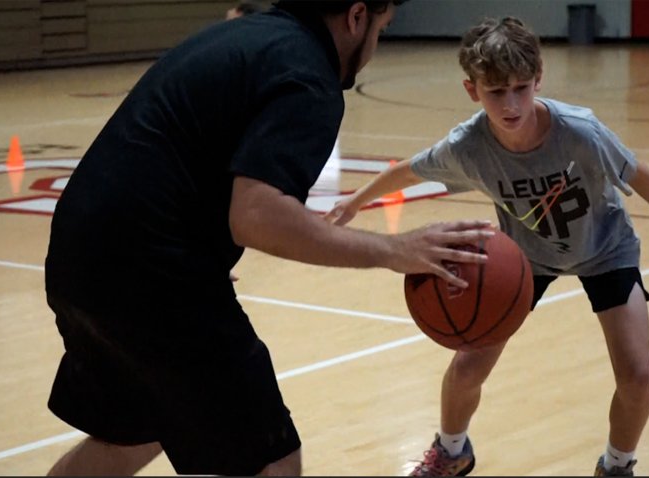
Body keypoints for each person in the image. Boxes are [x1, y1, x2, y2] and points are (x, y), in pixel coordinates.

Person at [44, 1, 495, 476]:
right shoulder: (308, 74)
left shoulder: (246, 37)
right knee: (272, 461)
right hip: (153, 268)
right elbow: (257, 215)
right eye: (383, 28)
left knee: (133, 433)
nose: (376, 45)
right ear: (357, 17)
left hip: (79, 252)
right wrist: (395, 250)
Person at [325, 16, 649, 477]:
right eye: (496, 92)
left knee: (638, 375)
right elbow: (410, 171)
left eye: (521, 88)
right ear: (472, 90)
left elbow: (637, 173)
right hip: (525, 259)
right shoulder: (469, 145)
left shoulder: (580, 131)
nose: (511, 103)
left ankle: (617, 467)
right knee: (466, 369)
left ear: (539, 79)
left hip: (606, 249)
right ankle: (453, 451)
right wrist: (355, 202)